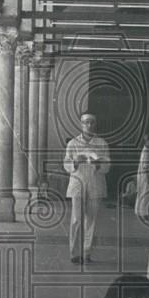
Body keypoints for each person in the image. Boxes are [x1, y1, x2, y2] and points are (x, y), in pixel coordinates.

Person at [64, 113, 110, 264]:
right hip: (78, 183)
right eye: (86, 122)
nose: (89, 125)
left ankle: (86, 253)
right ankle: (74, 253)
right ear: (81, 124)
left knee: (91, 220)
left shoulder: (102, 143)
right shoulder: (72, 143)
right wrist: (75, 162)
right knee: (77, 219)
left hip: (95, 183)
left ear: (95, 124)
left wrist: (98, 164)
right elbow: (66, 164)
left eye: (91, 122)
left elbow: (107, 166)